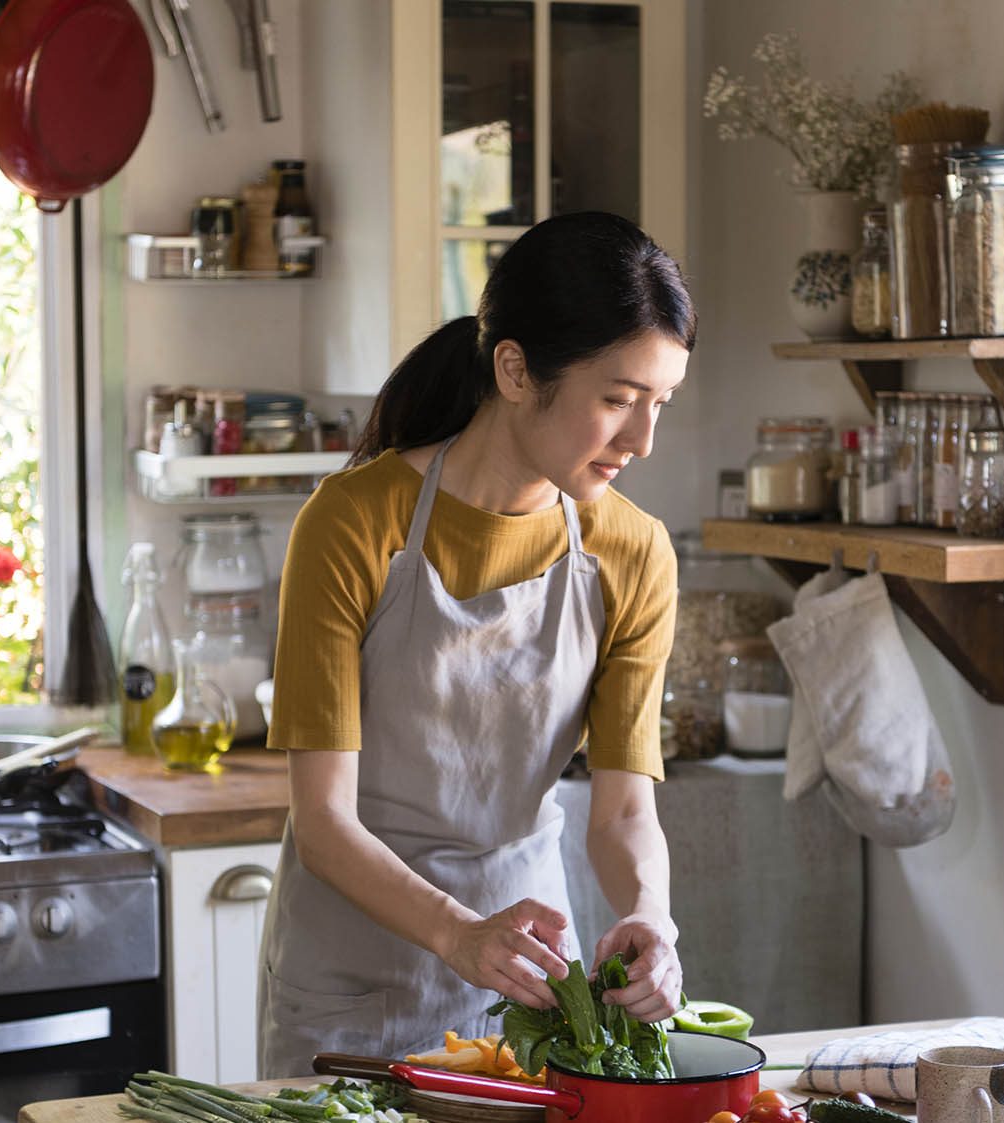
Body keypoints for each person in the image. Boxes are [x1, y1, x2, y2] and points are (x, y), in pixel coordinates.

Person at [257, 211, 693, 1077]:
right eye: (616, 400)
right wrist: (456, 932)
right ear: (516, 369)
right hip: (350, 990)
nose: (641, 441)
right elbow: (324, 821)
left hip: (528, 992)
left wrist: (653, 914)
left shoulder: (633, 553)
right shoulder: (351, 522)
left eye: (659, 405)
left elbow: (623, 811)